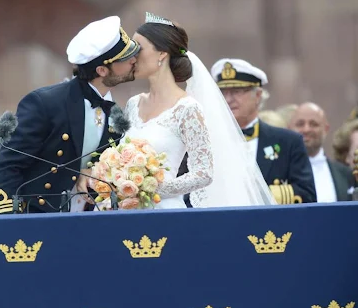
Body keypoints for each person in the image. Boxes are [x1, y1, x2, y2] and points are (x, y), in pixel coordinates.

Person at [122, 12, 275, 209]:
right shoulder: (133, 104)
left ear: (162, 53)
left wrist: (151, 188)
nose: (132, 56)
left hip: (164, 211)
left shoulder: (187, 108)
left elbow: (203, 173)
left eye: (139, 48)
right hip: (126, 209)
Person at [0, 16, 139, 214]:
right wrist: (9, 220)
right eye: (124, 58)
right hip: (40, 221)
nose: (133, 60)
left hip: (90, 222)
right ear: (102, 70)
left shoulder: (115, 112)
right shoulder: (44, 103)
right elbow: (10, 166)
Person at [210, 58, 316, 204]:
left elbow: (307, 195)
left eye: (237, 91)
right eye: (223, 92)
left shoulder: (288, 142)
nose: (228, 99)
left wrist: (259, 194)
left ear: (258, 96)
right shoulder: (208, 142)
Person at [288, 102, 354, 202]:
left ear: (326, 129)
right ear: (289, 128)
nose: (306, 129)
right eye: (300, 124)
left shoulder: (346, 175)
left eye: (314, 124)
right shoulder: (280, 170)